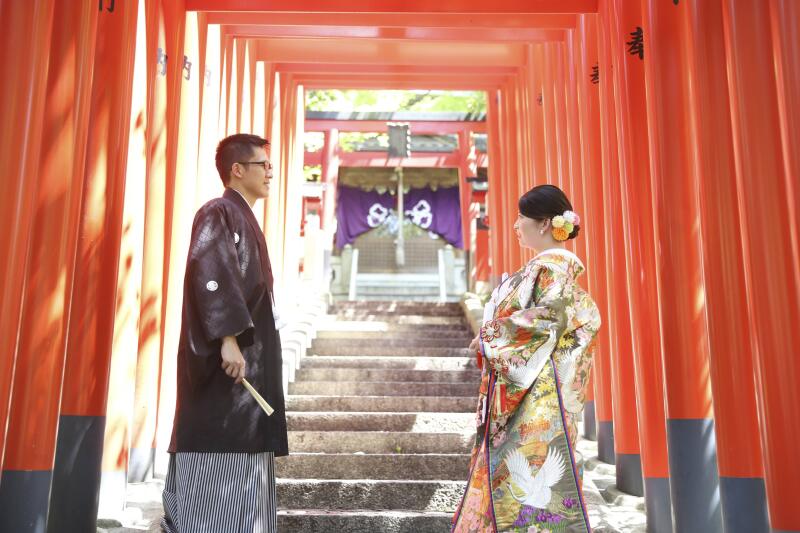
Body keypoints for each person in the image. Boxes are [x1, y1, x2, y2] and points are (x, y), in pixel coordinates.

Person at [451, 184, 601, 532]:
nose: (516, 225)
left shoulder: (550, 270)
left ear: (545, 223)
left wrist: (490, 335)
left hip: (535, 396)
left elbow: (548, 318)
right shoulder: (543, 270)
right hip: (530, 386)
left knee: (525, 476)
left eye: (521, 218)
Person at [162, 133, 288, 533]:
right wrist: (229, 338)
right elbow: (211, 272)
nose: (270, 172)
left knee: (245, 445)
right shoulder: (218, 211)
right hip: (225, 360)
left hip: (248, 362)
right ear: (237, 170)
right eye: (262, 165)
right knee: (220, 444)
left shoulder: (242, 216)